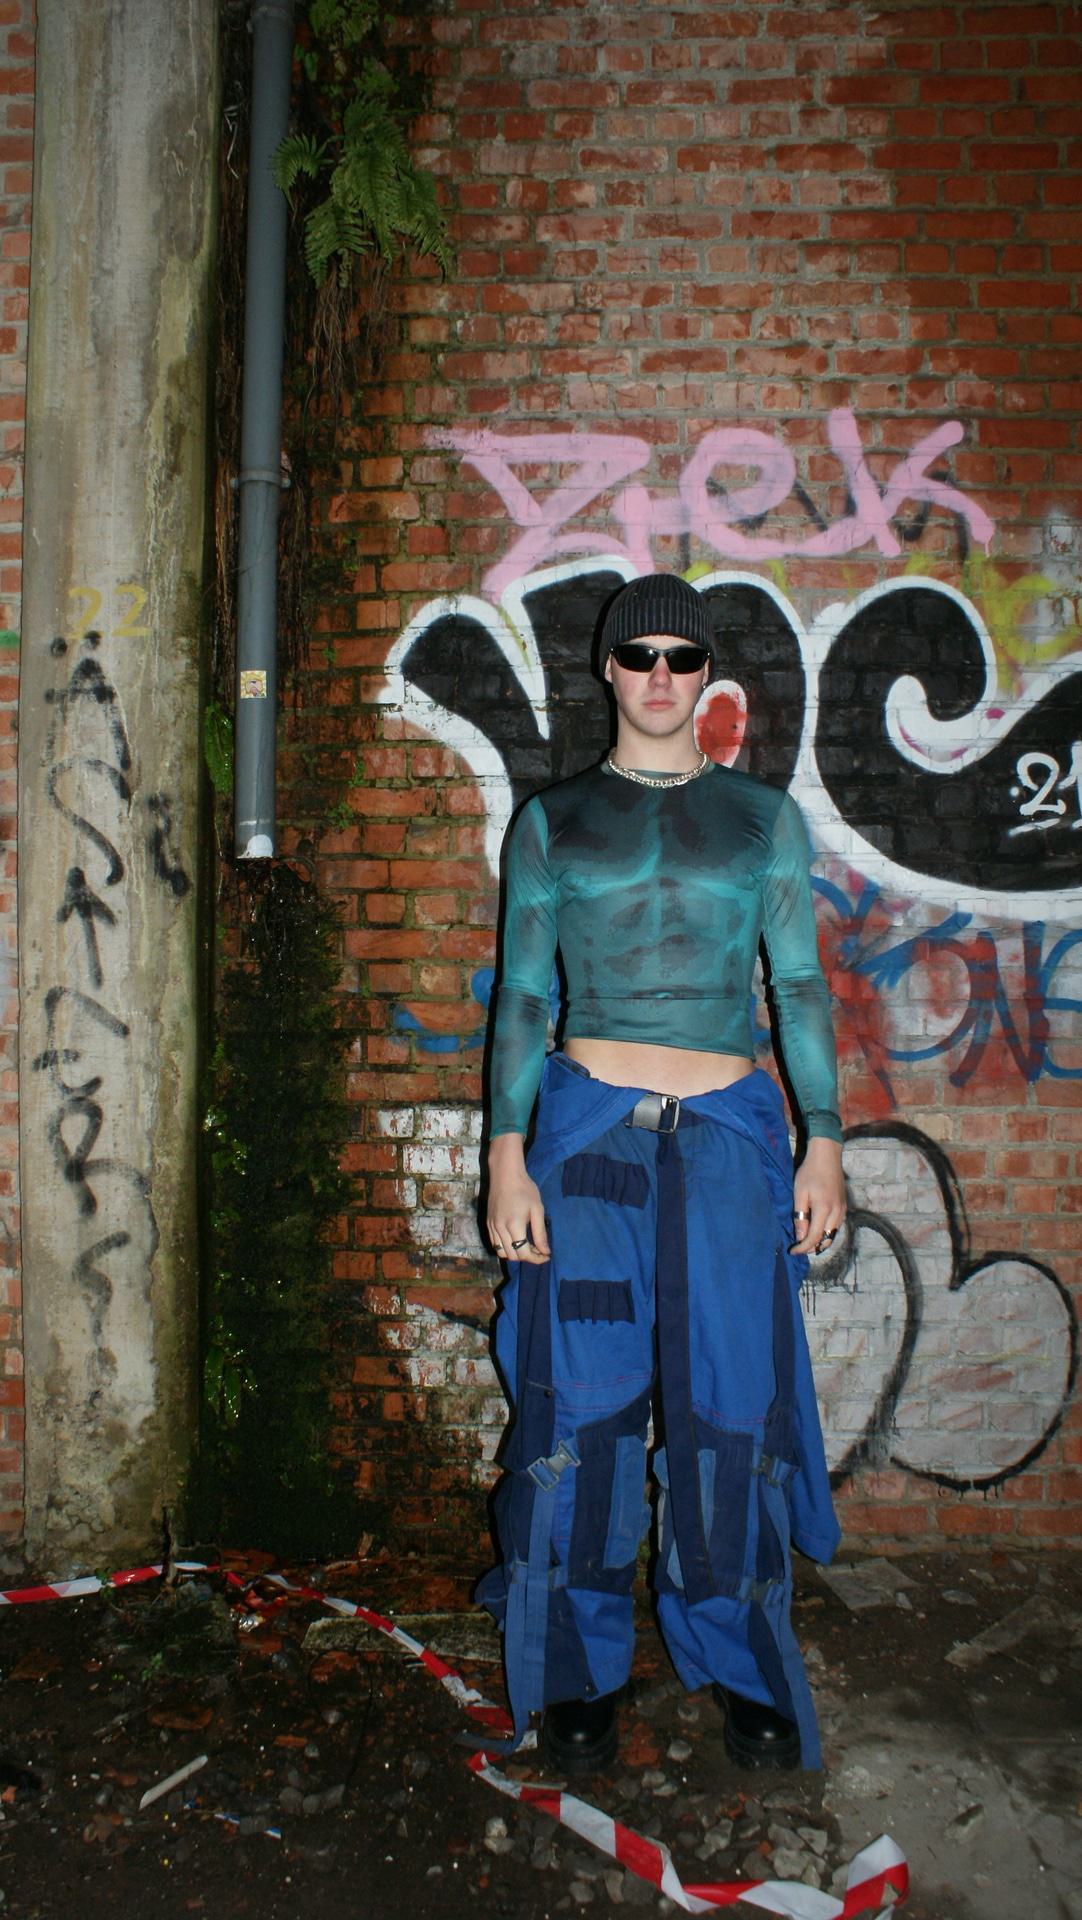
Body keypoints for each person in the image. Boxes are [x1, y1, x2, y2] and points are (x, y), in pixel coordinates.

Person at [478, 572, 845, 1777]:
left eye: (680, 657)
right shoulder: (552, 822)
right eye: (635, 655)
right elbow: (521, 995)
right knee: (578, 1415)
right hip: (587, 1144)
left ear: (705, 675)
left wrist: (824, 1138)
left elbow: (797, 985)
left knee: (728, 1413)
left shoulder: (758, 820)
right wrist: (505, 1155)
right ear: (605, 667)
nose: (657, 676)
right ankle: (578, 1671)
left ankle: (735, 1659)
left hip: (728, 1145)